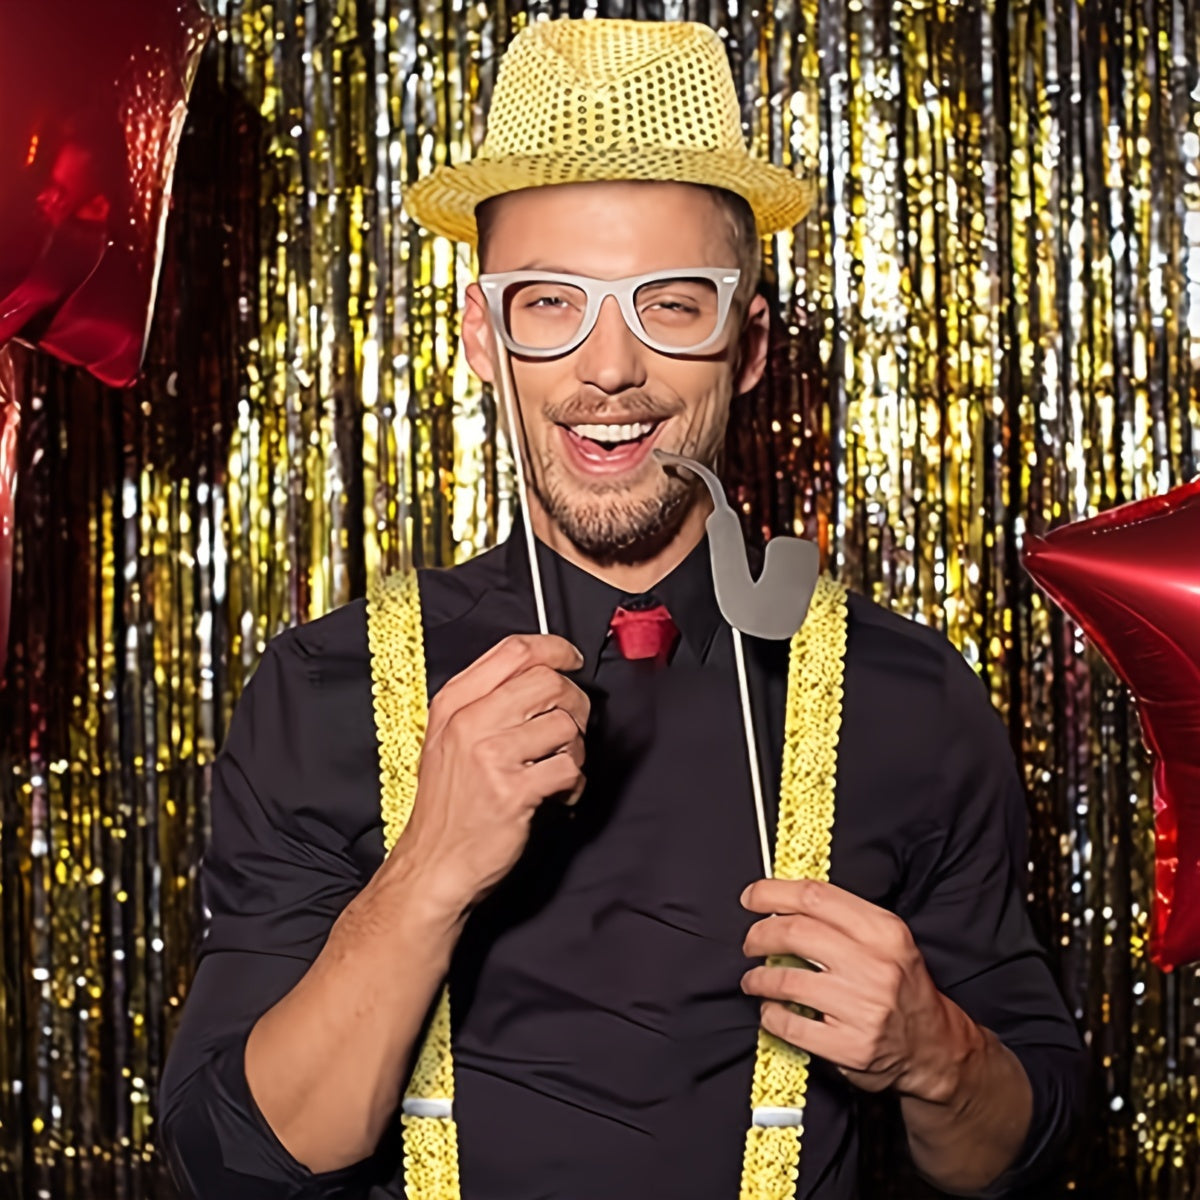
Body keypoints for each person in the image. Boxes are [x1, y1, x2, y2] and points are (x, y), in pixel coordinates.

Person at [158, 17, 1085, 1200]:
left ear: (747, 344)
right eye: (551, 303)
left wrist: (933, 1052)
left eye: (672, 304)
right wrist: (427, 871)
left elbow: (1018, 1151)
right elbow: (228, 1165)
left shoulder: (910, 696)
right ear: (483, 336)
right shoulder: (322, 689)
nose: (609, 369)